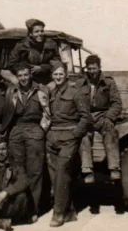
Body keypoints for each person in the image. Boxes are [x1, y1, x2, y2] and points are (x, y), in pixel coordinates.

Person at [1, 62, 51, 223]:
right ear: (17, 77)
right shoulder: (12, 91)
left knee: (35, 172)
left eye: (26, 75)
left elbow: (47, 114)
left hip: (34, 130)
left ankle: (33, 210)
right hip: (16, 131)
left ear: (31, 75)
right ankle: (18, 208)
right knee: (17, 171)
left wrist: (41, 130)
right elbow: (7, 113)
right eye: (20, 75)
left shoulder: (40, 90)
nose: (23, 78)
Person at [46, 60, 90, 227]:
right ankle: (69, 211)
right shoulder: (50, 91)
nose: (58, 77)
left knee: (62, 173)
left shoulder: (75, 92)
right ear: (52, 76)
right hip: (52, 138)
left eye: (61, 74)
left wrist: (74, 135)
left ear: (66, 75)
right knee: (55, 177)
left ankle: (58, 213)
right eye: (55, 74)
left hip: (68, 138)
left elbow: (85, 117)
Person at [77, 55, 122, 183]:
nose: (92, 71)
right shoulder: (80, 83)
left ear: (99, 68)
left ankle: (114, 168)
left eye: (94, 68)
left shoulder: (108, 82)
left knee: (110, 132)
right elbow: (75, 101)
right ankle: (87, 170)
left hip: (103, 115)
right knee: (83, 136)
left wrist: (109, 117)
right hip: (86, 116)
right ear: (86, 69)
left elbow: (116, 103)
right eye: (89, 69)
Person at [8, 19, 60, 85]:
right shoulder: (21, 45)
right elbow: (12, 64)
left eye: (42, 31)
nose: (40, 34)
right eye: (36, 32)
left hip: (47, 79)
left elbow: (58, 64)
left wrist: (42, 68)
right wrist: (26, 69)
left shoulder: (51, 44)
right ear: (30, 34)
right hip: (26, 80)